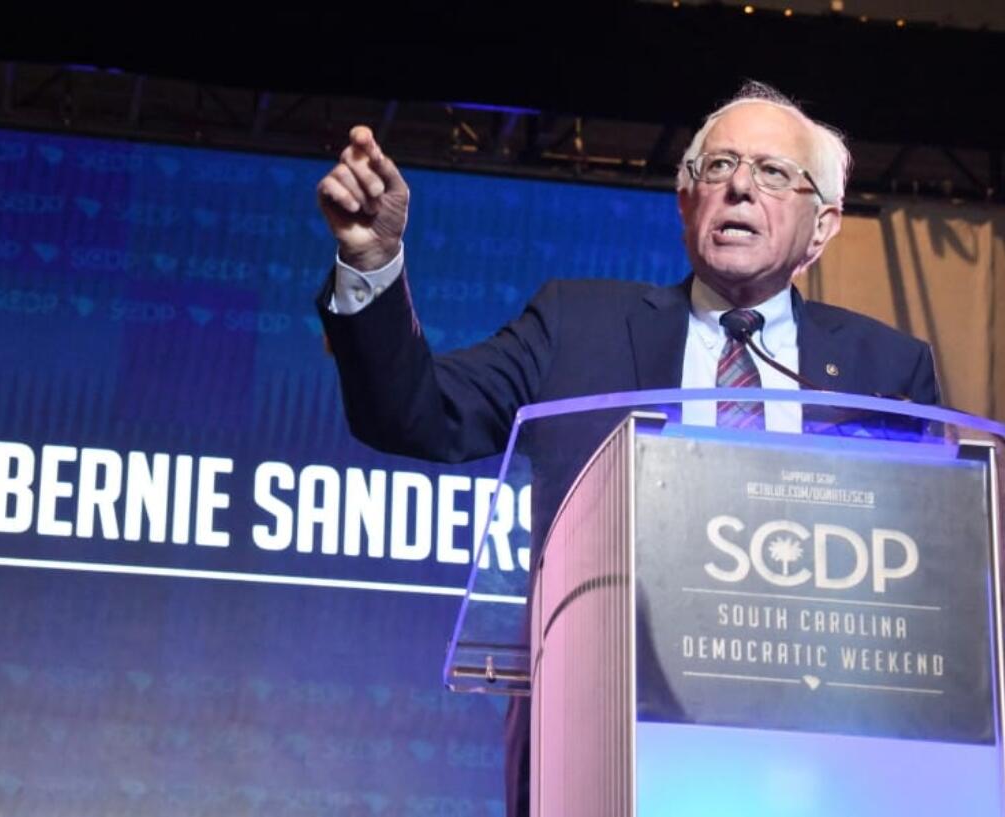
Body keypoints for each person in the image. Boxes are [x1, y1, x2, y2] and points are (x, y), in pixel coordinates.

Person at [315, 81, 939, 817]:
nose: (739, 186)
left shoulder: (884, 369)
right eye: (717, 167)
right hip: (604, 755)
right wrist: (374, 259)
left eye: (773, 173)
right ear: (685, 204)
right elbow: (416, 414)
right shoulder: (577, 326)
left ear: (822, 226)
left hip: (817, 769)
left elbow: (932, 592)